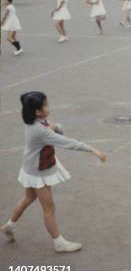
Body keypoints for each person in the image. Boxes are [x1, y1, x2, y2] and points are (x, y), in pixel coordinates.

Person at [0, 92, 107, 253]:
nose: (48, 107)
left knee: (29, 198)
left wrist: (54, 126)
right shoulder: (39, 130)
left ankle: (9, 226)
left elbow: (57, 130)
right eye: (46, 105)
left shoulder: (36, 120)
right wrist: (93, 150)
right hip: (37, 172)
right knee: (49, 209)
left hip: (32, 167)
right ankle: (58, 242)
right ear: (37, 111)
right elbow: (66, 142)